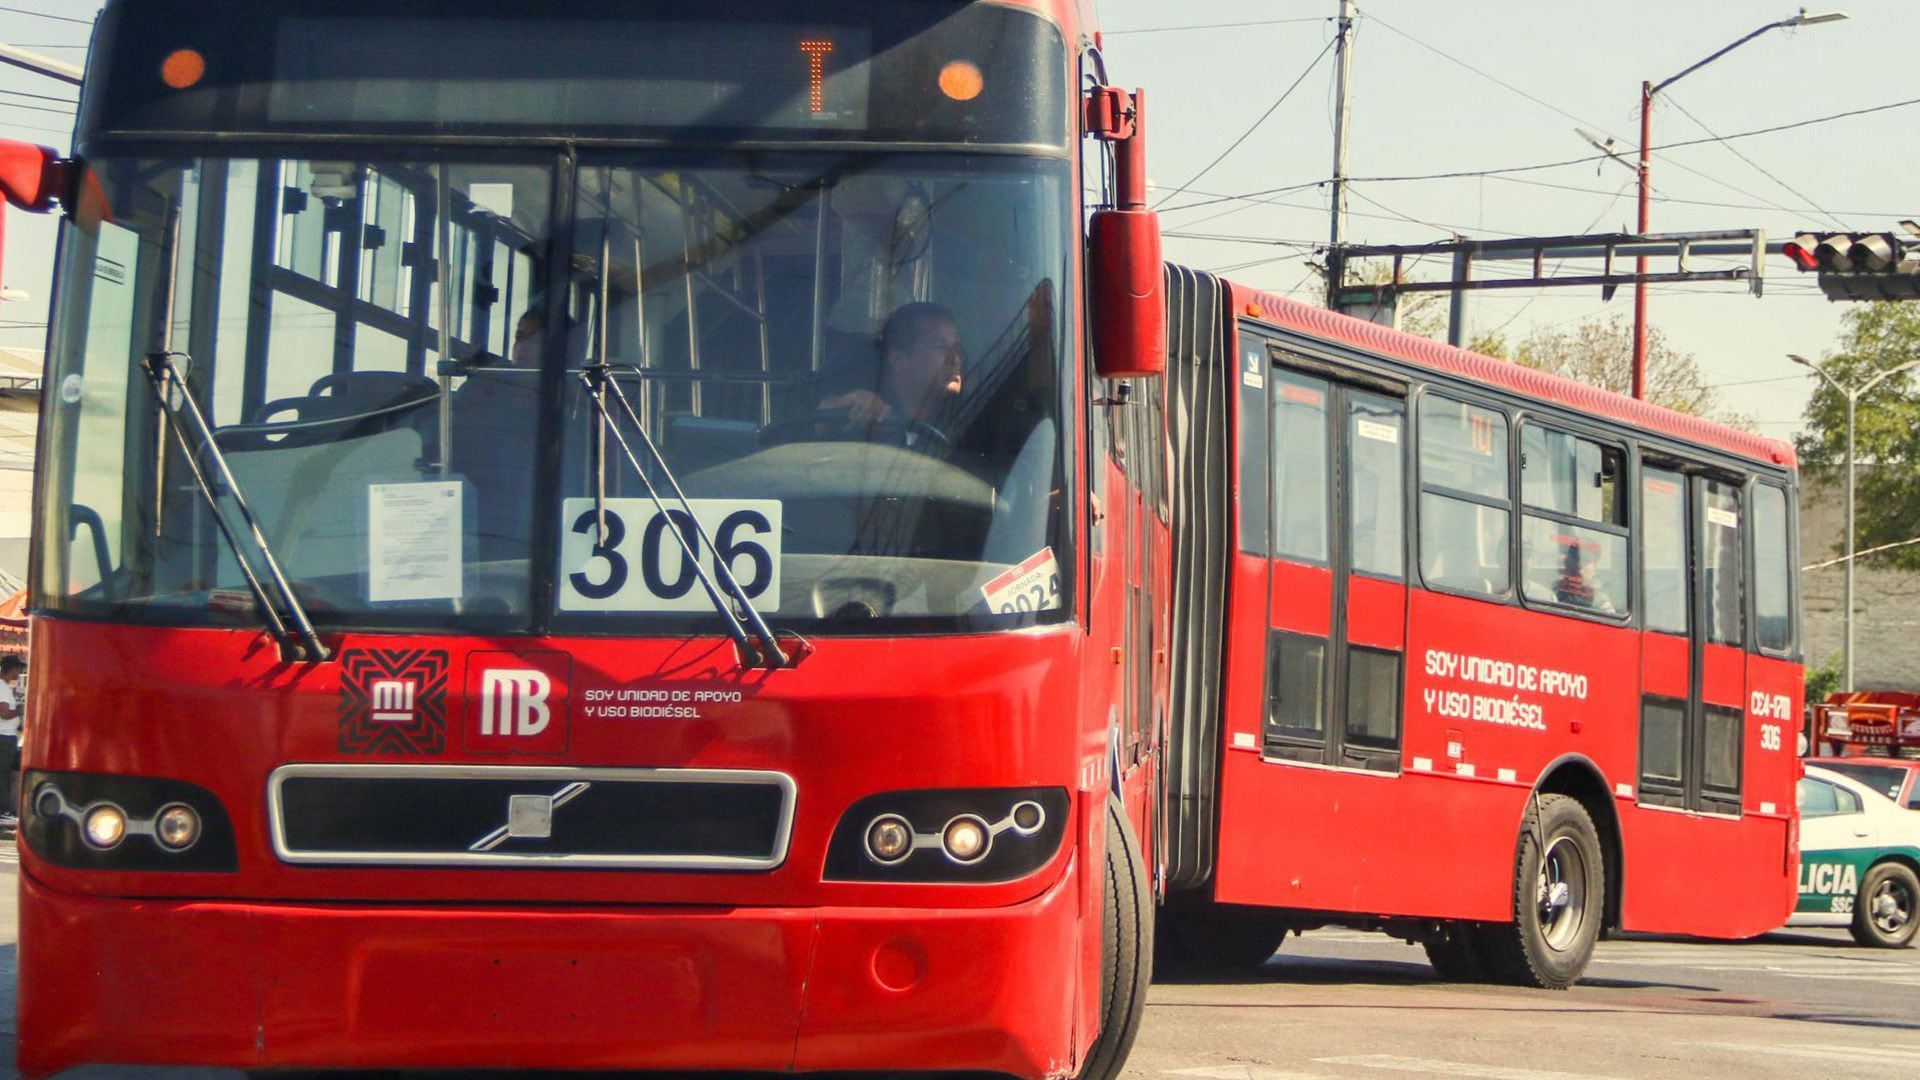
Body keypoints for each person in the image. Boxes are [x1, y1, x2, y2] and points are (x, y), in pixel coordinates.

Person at [819, 302, 964, 441]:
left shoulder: (967, 415)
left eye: (956, 349)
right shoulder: (868, 415)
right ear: (898, 360)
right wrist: (835, 413)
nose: (955, 360)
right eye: (941, 347)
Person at [0, 655, 23, 826]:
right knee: (4, 774)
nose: (20, 672)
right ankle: (3, 810)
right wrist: (20, 711)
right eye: (19, 669)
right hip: (4, 737)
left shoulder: (4, 687)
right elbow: (4, 713)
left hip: (7, 735)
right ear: (12, 669)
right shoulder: (3, 688)